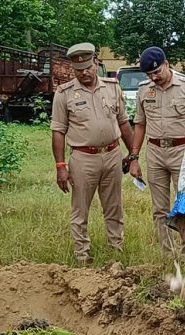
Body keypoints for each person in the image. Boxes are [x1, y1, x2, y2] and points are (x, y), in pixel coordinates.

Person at [50, 42, 134, 266]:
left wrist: (132, 154)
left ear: (96, 64)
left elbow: (124, 123)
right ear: (72, 69)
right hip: (83, 158)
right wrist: (60, 166)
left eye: (87, 67)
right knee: (80, 210)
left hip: (113, 154)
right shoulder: (64, 93)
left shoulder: (112, 87)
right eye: (78, 70)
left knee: (114, 206)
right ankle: (82, 256)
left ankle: (116, 250)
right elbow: (58, 131)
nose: (84, 73)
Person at [127, 47, 185, 256]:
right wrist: (134, 157)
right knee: (159, 208)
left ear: (167, 64)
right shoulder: (144, 89)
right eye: (149, 75)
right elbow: (140, 124)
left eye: (157, 72)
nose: (154, 78)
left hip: (182, 151)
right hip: (154, 152)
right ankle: (168, 253)